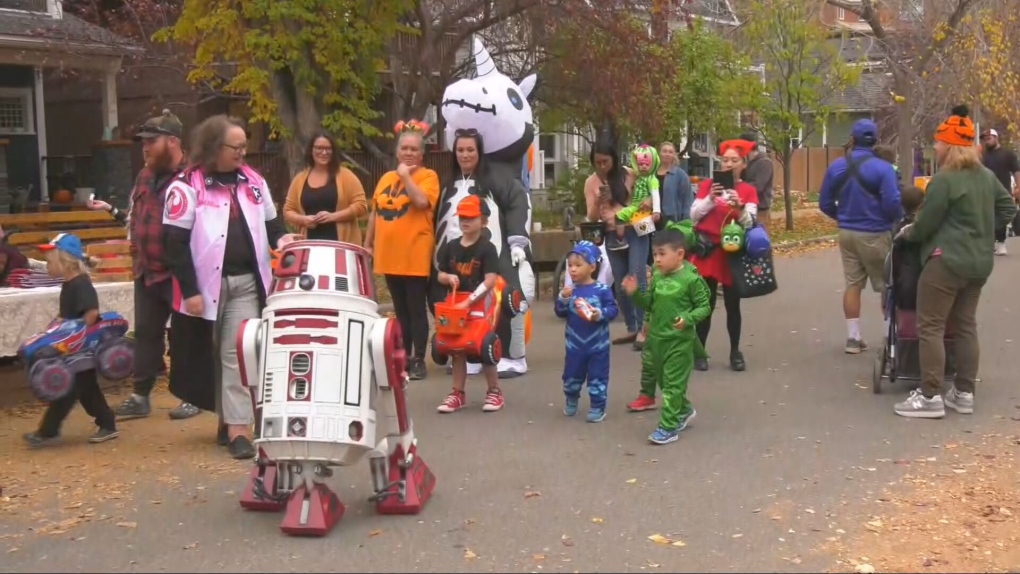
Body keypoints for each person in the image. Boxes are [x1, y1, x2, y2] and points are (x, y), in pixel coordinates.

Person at [162, 115, 298, 458]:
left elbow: (272, 224)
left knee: (238, 354)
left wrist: (283, 239)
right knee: (206, 356)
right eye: (234, 147)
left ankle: (239, 428)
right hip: (206, 287)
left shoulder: (253, 181)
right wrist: (190, 290)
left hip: (248, 283)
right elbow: (174, 243)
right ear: (213, 147)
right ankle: (224, 420)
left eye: (243, 146)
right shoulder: (186, 186)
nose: (242, 152)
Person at [892, 105, 1017, 419]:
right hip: (978, 263)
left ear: (949, 145)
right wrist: (983, 232)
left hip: (945, 262)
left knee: (930, 325)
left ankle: (930, 395)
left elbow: (925, 225)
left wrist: (908, 234)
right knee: (965, 326)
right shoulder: (986, 176)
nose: (934, 146)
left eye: (938, 141)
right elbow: (1008, 210)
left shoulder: (944, 181)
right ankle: (963, 392)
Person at [86, 110, 201, 422]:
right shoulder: (144, 177)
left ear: (173, 141)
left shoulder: (194, 178)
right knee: (148, 334)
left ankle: (192, 396)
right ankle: (140, 397)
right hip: (146, 270)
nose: (146, 147)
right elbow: (135, 219)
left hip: (180, 270)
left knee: (184, 336)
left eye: (152, 141)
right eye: (144, 142)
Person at [22, 234, 119, 448]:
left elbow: (91, 312)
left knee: (73, 388)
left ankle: (50, 431)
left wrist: (77, 335)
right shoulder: (69, 284)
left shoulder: (81, 285)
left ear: (64, 262)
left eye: (49, 262)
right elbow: (67, 314)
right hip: (71, 348)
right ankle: (104, 423)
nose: (47, 266)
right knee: (82, 389)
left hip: (80, 349)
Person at [364, 120, 440, 381]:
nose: (408, 153)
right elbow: (376, 211)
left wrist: (406, 176)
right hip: (389, 253)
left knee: (416, 308)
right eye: (404, 148)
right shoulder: (386, 178)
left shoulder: (429, 177)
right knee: (400, 309)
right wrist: (368, 242)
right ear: (397, 152)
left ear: (421, 154)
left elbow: (421, 202)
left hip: (414, 252)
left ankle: (419, 358)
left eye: (414, 149)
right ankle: (403, 355)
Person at [819, 119, 903, 354]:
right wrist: (896, 220)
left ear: (852, 139)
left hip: (847, 233)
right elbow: (892, 202)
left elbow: (824, 202)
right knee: (887, 285)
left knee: (853, 284)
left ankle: (853, 339)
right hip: (876, 232)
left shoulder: (836, 167)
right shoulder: (883, 169)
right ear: (875, 141)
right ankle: (890, 338)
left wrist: (841, 217)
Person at [621, 228, 711, 445]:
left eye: (662, 254)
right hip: (657, 340)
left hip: (679, 343)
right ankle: (684, 410)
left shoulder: (691, 279)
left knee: (672, 386)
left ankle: (668, 427)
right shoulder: (658, 276)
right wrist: (635, 294)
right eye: (655, 254)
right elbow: (648, 304)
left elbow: (705, 306)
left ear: (679, 254)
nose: (657, 259)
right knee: (664, 381)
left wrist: (688, 319)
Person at [689, 139, 759, 372]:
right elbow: (693, 215)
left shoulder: (747, 191)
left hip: (732, 252)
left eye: (734, 160)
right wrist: (710, 198)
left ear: (743, 165)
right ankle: (700, 351)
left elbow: (749, 223)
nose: (728, 164)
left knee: (732, 305)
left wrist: (738, 208)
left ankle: (735, 351)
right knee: (704, 304)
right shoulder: (708, 185)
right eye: (725, 160)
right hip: (707, 251)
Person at [434, 195, 504, 413]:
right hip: (455, 302)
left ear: (483, 221)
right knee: (456, 347)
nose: (465, 221)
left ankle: (494, 391)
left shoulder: (487, 248)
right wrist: (447, 278)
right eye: (463, 217)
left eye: (471, 218)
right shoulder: (451, 246)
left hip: (479, 303)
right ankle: (457, 393)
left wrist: (471, 300)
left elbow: (490, 280)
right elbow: (440, 274)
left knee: (483, 346)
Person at [583, 140, 646, 349]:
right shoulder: (591, 182)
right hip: (611, 234)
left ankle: (645, 328)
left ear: (614, 159)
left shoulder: (629, 174)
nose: (602, 166)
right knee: (620, 284)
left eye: (606, 162)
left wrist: (622, 200)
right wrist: (600, 200)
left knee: (636, 276)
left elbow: (642, 201)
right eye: (597, 162)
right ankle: (633, 327)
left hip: (636, 228)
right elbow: (591, 217)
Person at [554, 241, 618, 423]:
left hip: (598, 346)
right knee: (571, 375)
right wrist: (563, 299)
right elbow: (559, 313)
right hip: (574, 345)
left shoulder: (602, 290)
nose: (573, 270)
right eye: (570, 266)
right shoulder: (570, 291)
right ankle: (571, 397)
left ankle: (598, 406)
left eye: (578, 265)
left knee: (598, 376)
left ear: (592, 266)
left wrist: (601, 314)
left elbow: (613, 310)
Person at [282, 132, 367, 244]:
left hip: (342, 246)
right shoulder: (299, 179)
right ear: (311, 150)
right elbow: (288, 211)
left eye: (328, 149)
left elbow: (361, 205)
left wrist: (333, 217)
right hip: (309, 245)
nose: (324, 152)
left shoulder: (346, 176)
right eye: (319, 148)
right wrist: (304, 220)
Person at [979, 128, 1020, 255]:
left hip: (1003, 190)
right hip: (985, 190)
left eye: (989, 138)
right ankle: (989, 243)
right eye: (985, 139)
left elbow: (1016, 170)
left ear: (996, 138)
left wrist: (1019, 187)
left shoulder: (1007, 154)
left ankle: (1001, 243)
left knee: (1001, 215)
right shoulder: (983, 156)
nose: (987, 141)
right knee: (986, 216)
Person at [738, 133, 775, 233]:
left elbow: (758, 186)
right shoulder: (746, 162)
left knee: (759, 240)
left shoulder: (764, 162)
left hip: (761, 209)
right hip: (746, 207)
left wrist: (739, 187)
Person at [657, 141, 693, 227]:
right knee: (650, 239)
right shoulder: (652, 174)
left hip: (672, 221)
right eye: (664, 151)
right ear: (659, 154)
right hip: (653, 219)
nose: (667, 154)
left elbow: (687, 200)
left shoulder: (680, 175)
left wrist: (686, 223)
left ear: (674, 155)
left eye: (670, 152)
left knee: (669, 240)